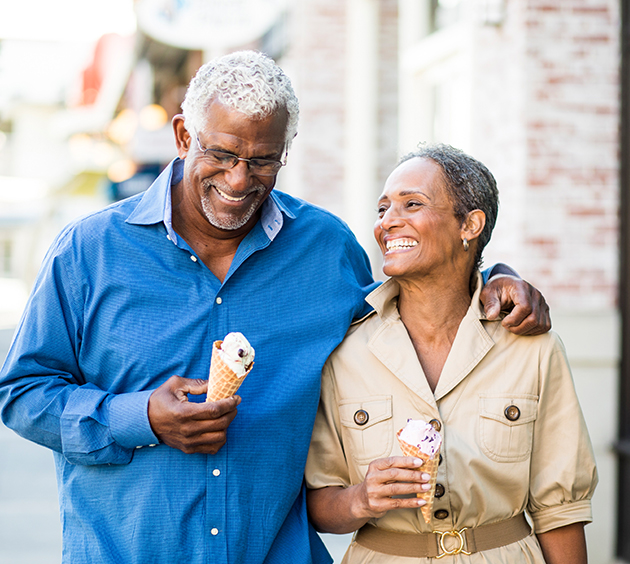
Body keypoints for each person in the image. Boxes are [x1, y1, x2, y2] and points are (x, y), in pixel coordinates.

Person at [0, 52, 549, 564]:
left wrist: (492, 276)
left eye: (264, 160)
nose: (240, 180)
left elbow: (411, 313)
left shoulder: (324, 249)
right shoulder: (88, 252)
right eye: (221, 154)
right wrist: (139, 417)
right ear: (183, 135)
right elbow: (21, 392)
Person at [305, 143, 598, 563]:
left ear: (470, 224)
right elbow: (318, 501)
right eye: (383, 208)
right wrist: (362, 499)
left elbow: (560, 511)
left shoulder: (533, 349)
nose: (389, 221)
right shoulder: (345, 351)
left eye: (412, 204)